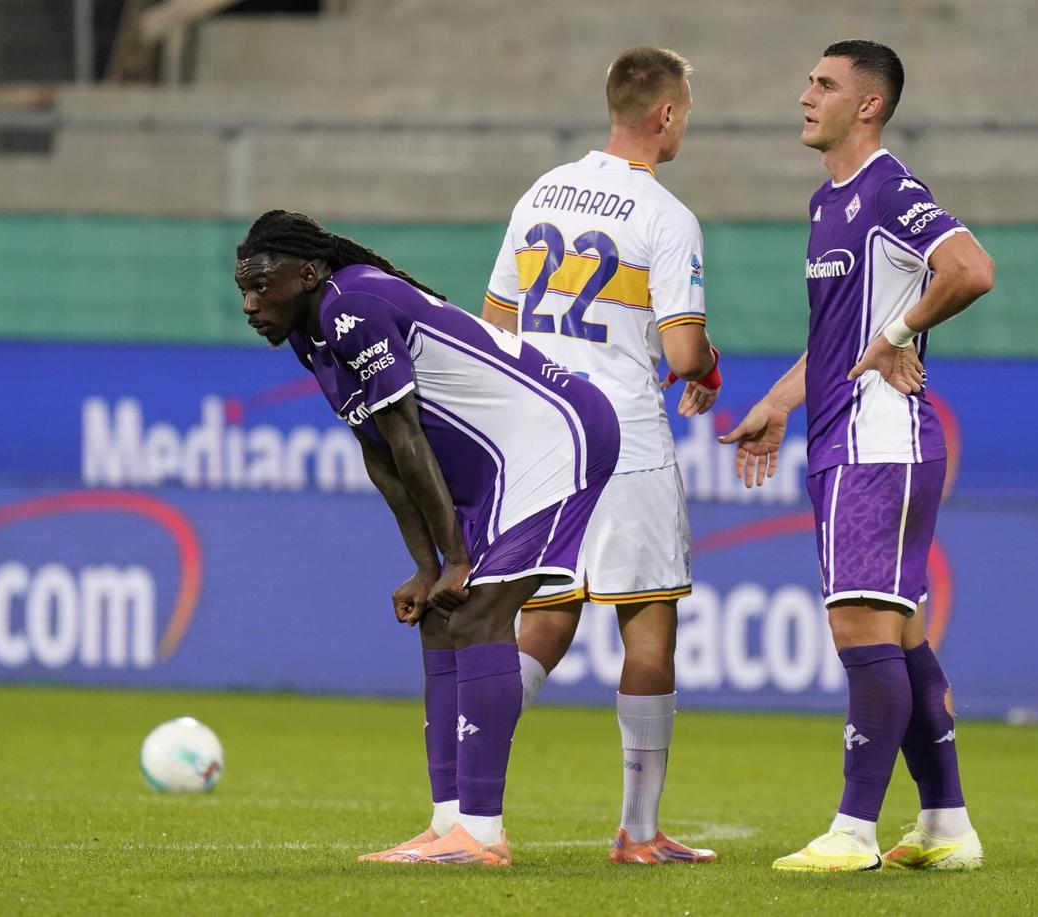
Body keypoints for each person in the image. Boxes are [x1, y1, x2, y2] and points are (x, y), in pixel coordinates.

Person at [235, 210, 619, 867]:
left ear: (305, 274)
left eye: (261, 286)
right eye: (242, 288)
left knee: (476, 615)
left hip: (558, 436)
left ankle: (483, 832)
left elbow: (410, 436)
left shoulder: (350, 305)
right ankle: (449, 825)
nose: (249, 303)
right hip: (503, 466)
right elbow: (380, 452)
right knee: (441, 619)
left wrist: (459, 559)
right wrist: (427, 565)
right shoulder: (314, 333)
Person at [721, 40, 994, 872]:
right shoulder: (826, 203)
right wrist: (776, 402)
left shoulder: (887, 187)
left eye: (825, 84)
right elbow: (839, 338)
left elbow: (971, 269)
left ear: (867, 105)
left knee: (860, 628)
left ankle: (854, 830)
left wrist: (899, 334)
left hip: (880, 441)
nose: (806, 93)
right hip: (846, 432)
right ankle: (947, 825)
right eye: (809, 79)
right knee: (898, 632)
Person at [480, 46, 721, 865]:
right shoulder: (665, 215)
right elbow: (683, 355)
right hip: (624, 436)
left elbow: (496, 325)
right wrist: (707, 359)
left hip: (547, 439)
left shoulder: (541, 191)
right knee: (648, 625)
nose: (684, 121)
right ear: (664, 115)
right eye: (684, 109)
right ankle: (640, 833)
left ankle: (469, 811)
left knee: (544, 619)